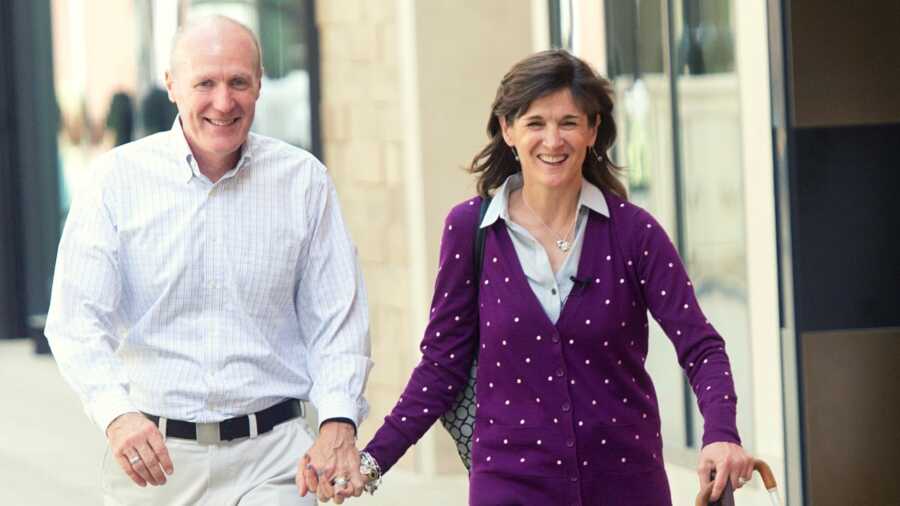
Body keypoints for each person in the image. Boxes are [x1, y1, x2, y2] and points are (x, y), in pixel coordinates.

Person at [348, 50, 754, 505]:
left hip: (625, 485)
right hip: (510, 488)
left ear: (593, 130)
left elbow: (701, 346)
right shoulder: (469, 231)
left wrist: (721, 433)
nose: (552, 140)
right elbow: (442, 365)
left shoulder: (634, 233)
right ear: (508, 130)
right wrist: (372, 462)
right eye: (535, 122)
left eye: (569, 122)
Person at [45, 15, 371, 505]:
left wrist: (338, 423)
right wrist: (117, 415)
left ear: (259, 84)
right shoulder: (116, 181)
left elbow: (337, 322)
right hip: (157, 462)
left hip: (276, 458)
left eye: (239, 81)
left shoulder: (303, 181)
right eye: (206, 83)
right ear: (173, 86)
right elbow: (75, 323)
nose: (224, 101)